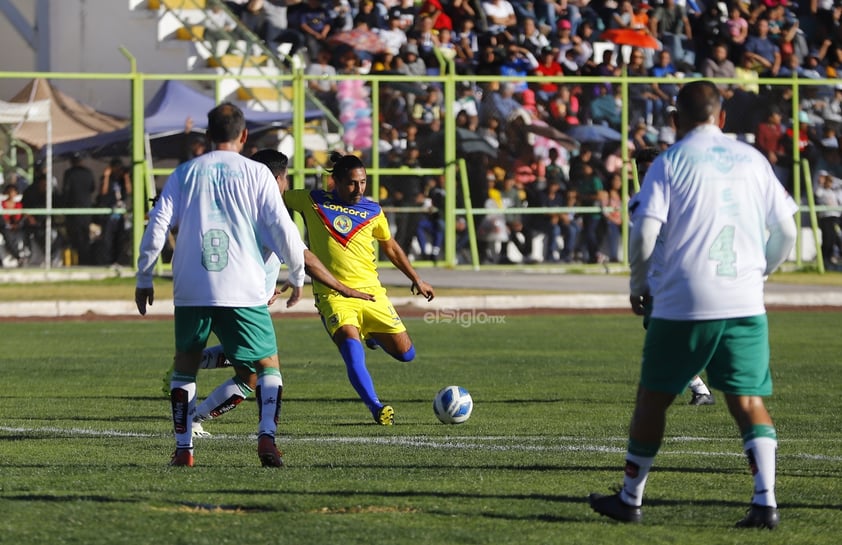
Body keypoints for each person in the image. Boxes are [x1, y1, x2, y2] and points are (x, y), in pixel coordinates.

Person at [588, 80, 798, 529]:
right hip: (745, 300)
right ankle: (765, 503)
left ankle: (630, 498)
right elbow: (788, 232)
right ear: (722, 118)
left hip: (685, 299)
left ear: (674, 121)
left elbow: (645, 232)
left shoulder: (669, 162)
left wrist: (638, 285)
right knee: (747, 400)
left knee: (652, 400)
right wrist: (762, 273)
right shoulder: (753, 160)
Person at [135, 103, 309, 468]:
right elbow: (283, 228)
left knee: (185, 366)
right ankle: (266, 438)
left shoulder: (184, 173)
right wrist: (296, 275)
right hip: (242, 285)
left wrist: (144, 277)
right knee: (267, 365)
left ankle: (184, 450)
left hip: (192, 284)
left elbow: (157, 227)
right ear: (244, 136)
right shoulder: (258, 174)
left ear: (207, 134)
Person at [183, 149, 374, 437]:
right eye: (284, 179)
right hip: (239, 302)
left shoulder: (231, 204)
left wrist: (266, 282)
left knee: (247, 357)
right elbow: (305, 258)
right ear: (276, 178)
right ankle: (196, 418)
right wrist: (343, 288)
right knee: (254, 375)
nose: (285, 186)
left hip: (213, 293)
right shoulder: (270, 210)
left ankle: (187, 363)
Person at [283, 151, 435, 425]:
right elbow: (275, 193)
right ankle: (376, 407)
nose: (359, 188)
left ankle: (372, 335)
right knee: (352, 352)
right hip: (334, 295)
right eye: (352, 183)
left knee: (407, 354)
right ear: (336, 182)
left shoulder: (373, 211)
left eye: (363, 182)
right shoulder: (312, 200)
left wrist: (416, 278)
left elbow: (391, 248)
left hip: (371, 293)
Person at [61, 152, 96, 265]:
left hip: (73, 209)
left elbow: (66, 191)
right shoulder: (88, 173)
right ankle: (85, 259)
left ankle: (78, 260)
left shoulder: (69, 173)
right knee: (85, 235)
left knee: (74, 236)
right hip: (86, 209)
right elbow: (92, 188)